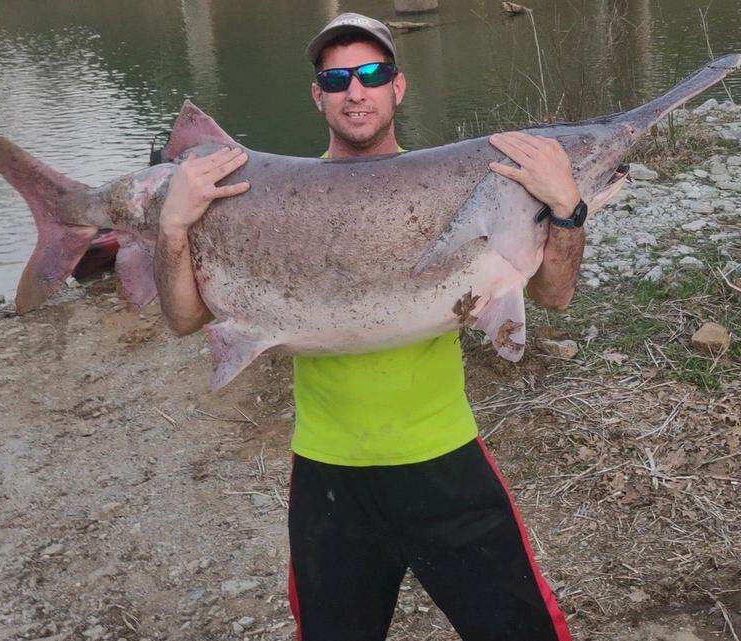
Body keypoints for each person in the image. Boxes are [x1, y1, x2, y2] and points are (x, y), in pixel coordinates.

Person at [154, 13, 586, 641]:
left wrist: (567, 209)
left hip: (444, 459)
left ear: (397, 87)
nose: (355, 91)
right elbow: (184, 318)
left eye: (372, 74)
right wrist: (171, 228)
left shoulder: (468, 183)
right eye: (336, 78)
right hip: (329, 476)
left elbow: (555, 294)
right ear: (318, 95)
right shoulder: (259, 196)